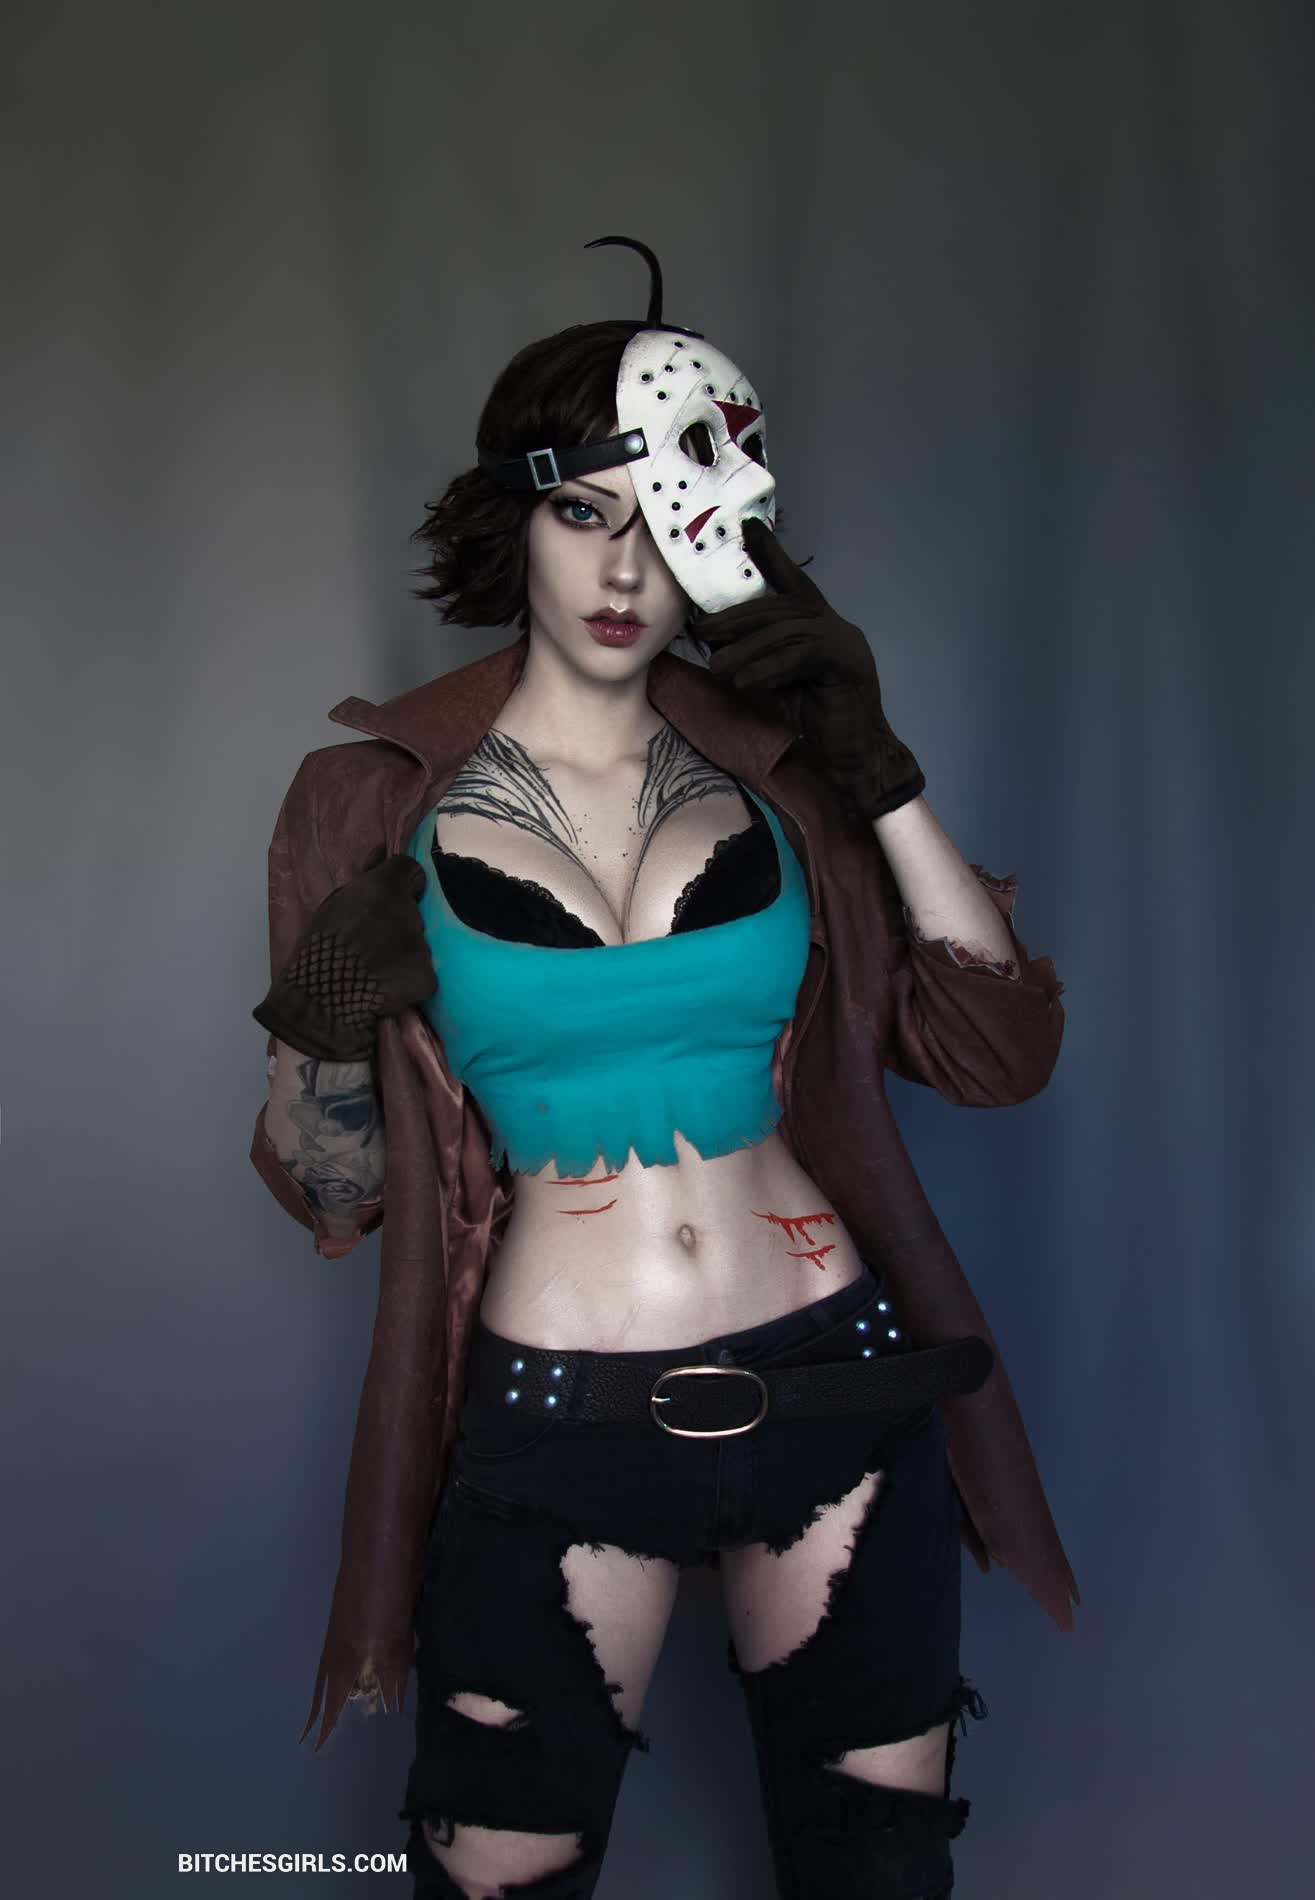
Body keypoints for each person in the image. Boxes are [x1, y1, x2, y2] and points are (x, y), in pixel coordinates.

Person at [250, 239, 1076, 1900]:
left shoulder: (786, 774)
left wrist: (881, 769)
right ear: (516, 520)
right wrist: (327, 1025)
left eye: (667, 518)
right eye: (584, 512)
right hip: (559, 1416)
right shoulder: (368, 799)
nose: (626, 567)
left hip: (837, 1379)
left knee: (876, 1879)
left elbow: (997, 1057)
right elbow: (333, 1196)